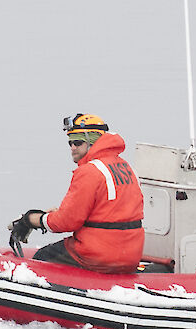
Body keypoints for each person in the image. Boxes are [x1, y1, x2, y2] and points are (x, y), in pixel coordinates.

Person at [8, 114, 146, 274]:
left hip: (98, 254)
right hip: (130, 255)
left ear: (92, 142)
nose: (72, 147)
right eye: (70, 142)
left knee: (42, 259)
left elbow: (66, 222)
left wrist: (30, 220)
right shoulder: (127, 168)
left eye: (78, 142)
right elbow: (110, 211)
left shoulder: (89, 172)